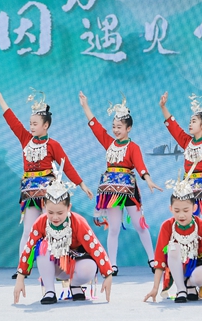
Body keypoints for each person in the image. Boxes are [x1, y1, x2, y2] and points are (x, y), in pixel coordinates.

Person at [0, 88, 93, 278]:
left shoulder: (53, 144)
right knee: (28, 230)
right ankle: (22, 268)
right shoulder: (25, 139)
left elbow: (67, 166)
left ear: (45, 125)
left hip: (49, 194)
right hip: (30, 193)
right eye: (30, 123)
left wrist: (81, 184)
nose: (31, 127)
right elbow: (13, 122)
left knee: (54, 229)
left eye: (35, 124)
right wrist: (2, 102)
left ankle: (59, 267)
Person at [79, 91, 162, 275]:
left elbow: (140, 166)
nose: (115, 130)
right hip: (110, 191)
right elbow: (95, 126)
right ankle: (113, 264)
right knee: (114, 228)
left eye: (119, 127)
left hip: (129, 190)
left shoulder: (133, 147)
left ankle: (152, 259)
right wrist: (85, 106)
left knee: (140, 225)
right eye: (114, 127)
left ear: (128, 128)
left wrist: (148, 180)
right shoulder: (109, 143)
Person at [13, 160, 113, 305]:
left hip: (76, 264)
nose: (55, 217)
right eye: (50, 212)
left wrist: (108, 275)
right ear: (44, 206)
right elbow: (28, 249)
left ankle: (75, 285)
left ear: (69, 208)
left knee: (90, 268)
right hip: (53, 265)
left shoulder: (78, 222)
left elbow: (95, 247)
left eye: (60, 213)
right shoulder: (40, 222)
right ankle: (49, 290)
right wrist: (20, 279)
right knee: (42, 246)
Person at [159, 92, 202, 273]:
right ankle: (190, 258)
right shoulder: (186, 141)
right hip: (188, 188)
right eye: (190, 121)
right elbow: (173, 127)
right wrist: (163, 107)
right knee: (189, 223)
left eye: (194, 121)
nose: (190, 124)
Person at [144, 164, 202, 304]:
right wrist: (154, 288)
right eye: (177, 211)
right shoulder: (167, 226)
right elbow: (159, 258)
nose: (181, 215)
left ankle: (190, 284)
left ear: (194, 208)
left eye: (186, 210)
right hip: (175, 267)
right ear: (171, 209)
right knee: (173, 248)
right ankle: (181, 289)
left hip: (197, 265)